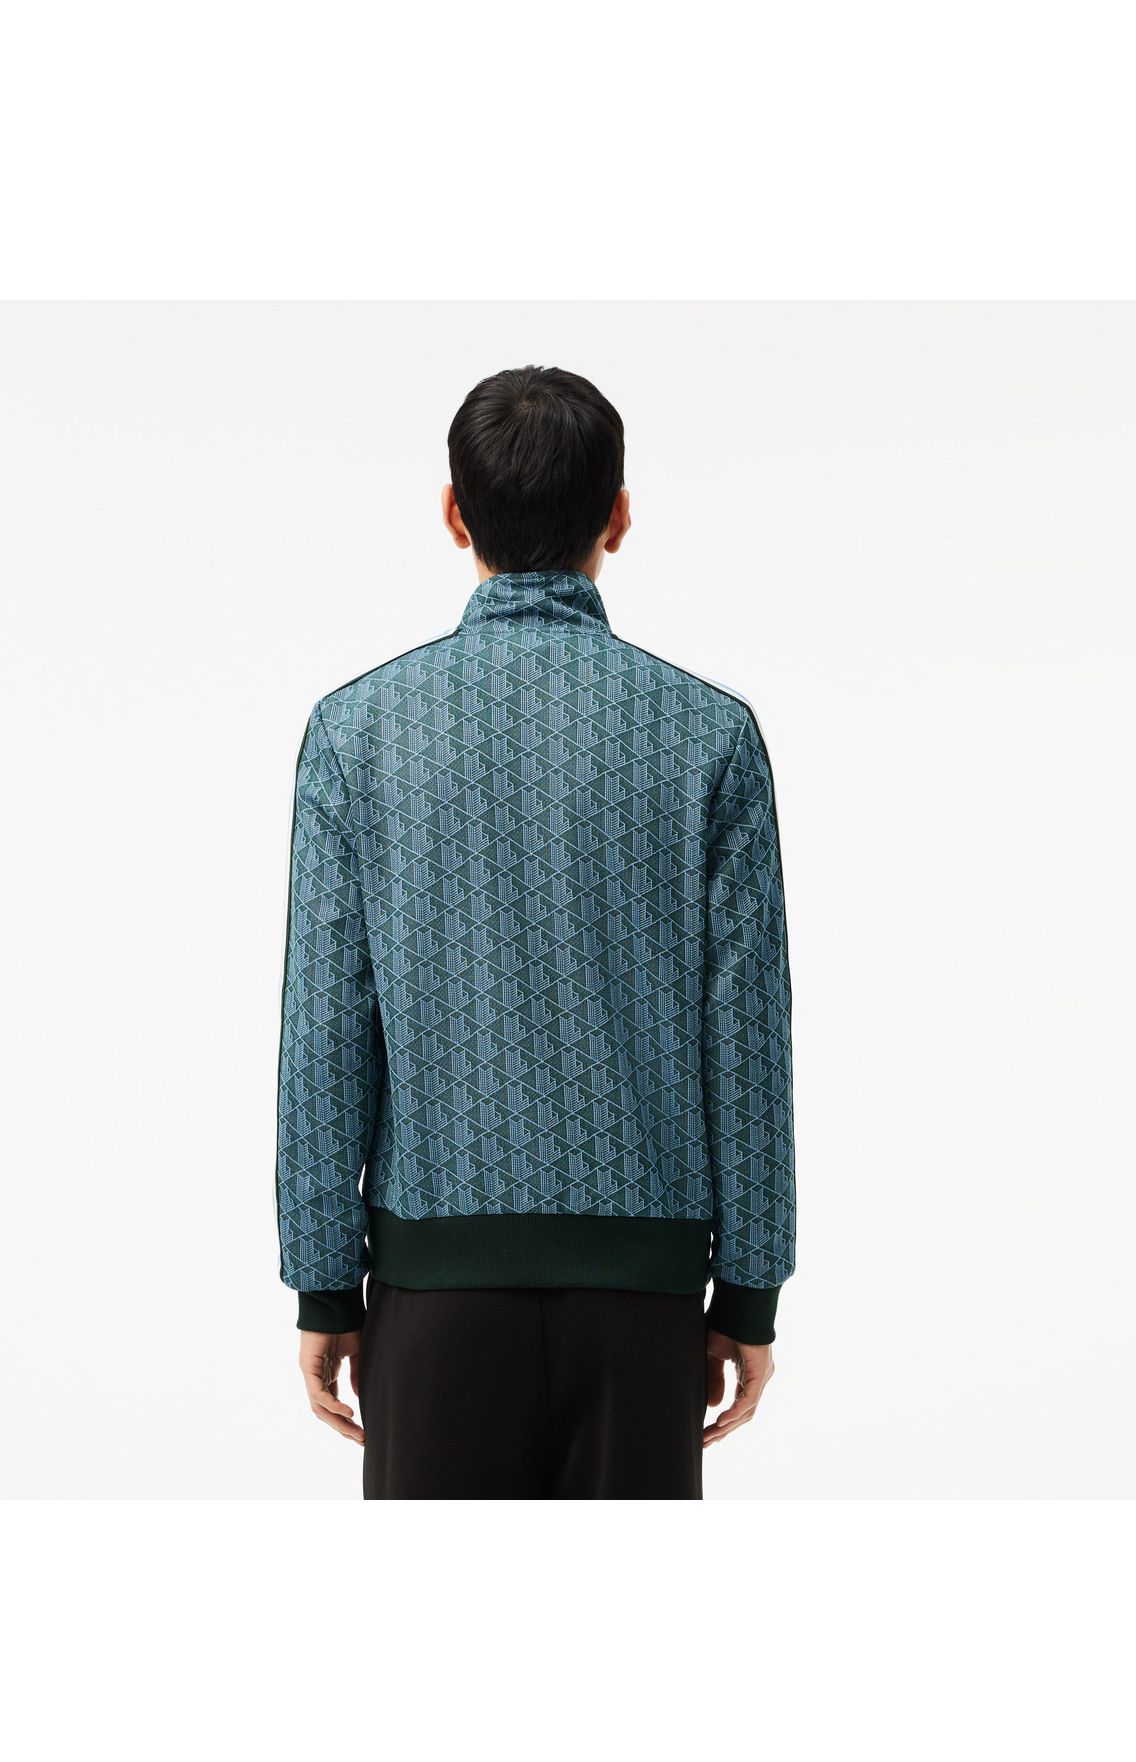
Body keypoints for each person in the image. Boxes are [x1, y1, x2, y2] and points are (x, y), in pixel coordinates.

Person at [275, 364, 796, 1499]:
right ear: (620, 514)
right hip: (645, 1307)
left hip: (431, 1300)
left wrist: (322, 1283)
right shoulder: (711, 737)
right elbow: (748, 1037)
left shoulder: (355, 734)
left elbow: (325, 1029)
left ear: (453, 514)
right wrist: (751, 1291)